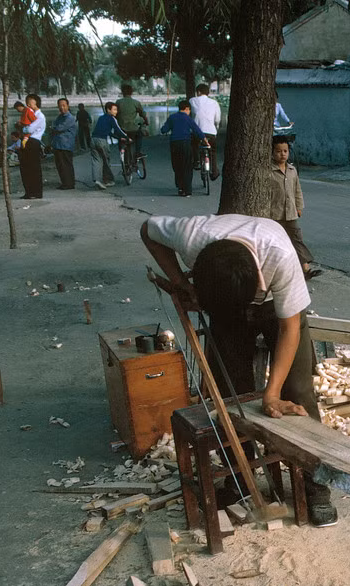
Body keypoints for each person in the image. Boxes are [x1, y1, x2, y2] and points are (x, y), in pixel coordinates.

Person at [139, 214, 339, 527]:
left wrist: (272, 394)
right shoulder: (192, 235)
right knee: (230, 392)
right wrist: (181, 283)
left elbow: (289, 329)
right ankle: (240, 476)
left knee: (297, 390)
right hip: (224, 301)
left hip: (277, 310)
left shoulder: (281, 257)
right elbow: (147, 230)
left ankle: (315, 484)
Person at [269, 136, 321, 280]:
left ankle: (306, 269)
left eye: (285, 151)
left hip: (290, 213)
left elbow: (297, 190)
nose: (282, 154)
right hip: (274, 214)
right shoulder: (268, 171)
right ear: (272, 152)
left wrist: (299, 207)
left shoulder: (292, 170)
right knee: (276, 243)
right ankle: (277, 272)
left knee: (296, 239)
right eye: (278, 151)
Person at [160, 100, 205, 197]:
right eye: (189, 110)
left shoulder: (172, 117)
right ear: (187, 109)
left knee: (177, 165)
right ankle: (187, 190)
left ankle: (180, 187)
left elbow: (163, 130)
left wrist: (167, 125)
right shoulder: (188, 119)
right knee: (187, 166)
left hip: (174, 144)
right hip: (185, 143)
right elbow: (197, 131)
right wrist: (204, 139)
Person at [189, 83, 222, 181]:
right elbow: (217, 119)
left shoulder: (192, 100)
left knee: (194, 144)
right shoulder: (214, 103)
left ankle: (197, 162)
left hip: (197, 131)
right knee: (213, 150)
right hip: (211, 132)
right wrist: (216, 125)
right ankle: (214, 171)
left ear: (198, 92)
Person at [90, 102, 127, 189]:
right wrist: (126, 137)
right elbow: (118, 130)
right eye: (114, 109)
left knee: (96, 160)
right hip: (102, 141)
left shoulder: (101, 118)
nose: (116, 112)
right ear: (108, 110)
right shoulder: (112, 119)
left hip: (93, 140)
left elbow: (109, 132)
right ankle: (108, 180)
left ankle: (97, 180)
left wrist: (118, 138)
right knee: (106, 160)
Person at [18, 94, 45, 199]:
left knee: (34, 168)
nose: (28, 104)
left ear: (36, 102)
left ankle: (36, 192)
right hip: (28, 141)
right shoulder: (29, 113)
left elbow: (29, 129)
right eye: (27, 102)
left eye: (30, 102)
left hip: (33, 141)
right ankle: (29, 191)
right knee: (25, 168)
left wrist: (22, 127)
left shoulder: (40, 116)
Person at [50, 98, 78, 190]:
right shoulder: (60, 117)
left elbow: (58, 128)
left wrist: (53, 128)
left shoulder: (70, 118)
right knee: (60, 165)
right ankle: (65, 183)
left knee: (66, 165)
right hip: (58, 145)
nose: (62, 108)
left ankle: (69, 183)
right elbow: (55, 127)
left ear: (67, 106)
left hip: (66, 145)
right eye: (60, 106)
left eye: (64, 105)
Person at [116, 84, 147, 157]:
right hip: (133, 129)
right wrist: (146, 121)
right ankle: (138, 152)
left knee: (120, 138)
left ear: (122, 92)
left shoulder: (118, 102)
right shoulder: (136, 103)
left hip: (122, 129)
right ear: (131, 92)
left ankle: (121, 151)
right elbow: (142, 114)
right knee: (139, 135)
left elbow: (115, 115)